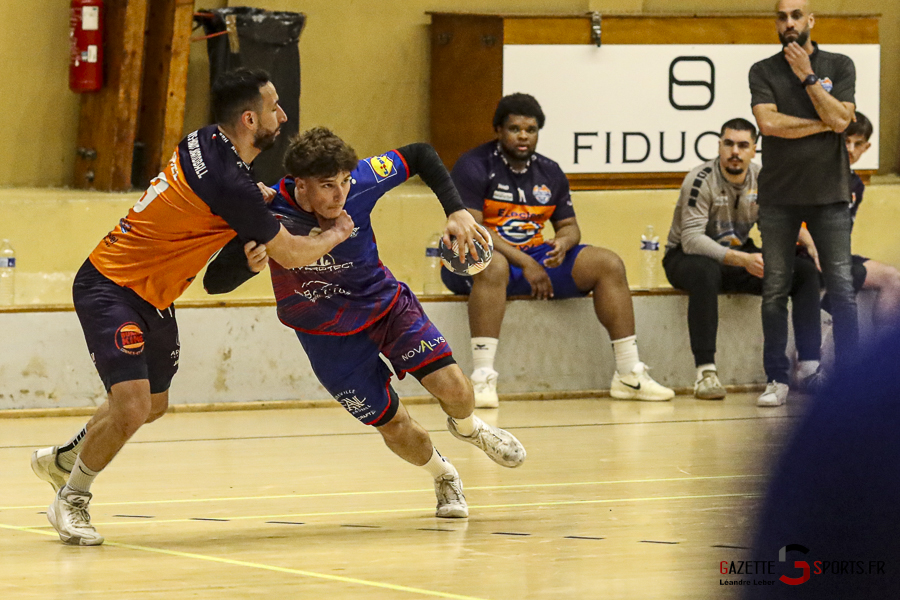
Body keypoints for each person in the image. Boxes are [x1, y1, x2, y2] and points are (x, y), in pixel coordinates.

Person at [29, 69, 355, 546]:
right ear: (249, 120)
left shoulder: (203, 142)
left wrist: (252, 203)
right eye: (273, 107)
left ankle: (64, 459)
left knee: (153, 405)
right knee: (133, 405)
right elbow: (289, 253)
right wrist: (336, 233)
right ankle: (72, 498)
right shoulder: (232, 185)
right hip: (111, 285)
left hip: (155, 295)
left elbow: (218, 215)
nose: (282, 116)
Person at [204, 127, 527, 519]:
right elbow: (214, 282)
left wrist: (455, 210)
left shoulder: (362, 180)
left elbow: (420, 153)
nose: (340, 194)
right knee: (394, 425)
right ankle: (443, 474)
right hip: (325, 336)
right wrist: (247, 264)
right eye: (328, 186)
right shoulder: (267, 210)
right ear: (300, 184)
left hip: (384, 307)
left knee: (456, 389)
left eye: (343, 181)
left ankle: (468, 427)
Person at [442, 93, 674, 408]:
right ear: (498, 130)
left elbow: (569, 227)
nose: (523, 136)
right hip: (471, 256)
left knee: (608, 263)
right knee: (493, 265)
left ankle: (629, 374)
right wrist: (527, 263)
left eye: (531, 130)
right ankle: (482, 379)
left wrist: (563, 243)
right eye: (514, 129)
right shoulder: (473, 165)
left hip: (532, 258)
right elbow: (475, 229)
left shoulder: (550, 172)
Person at [664, 119, 822, 402]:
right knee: (705, 272)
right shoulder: (700, 179)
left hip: (739, 255)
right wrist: (742, 260)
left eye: (742, 145)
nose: (734, 152)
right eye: (728, 144)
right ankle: (705, 373)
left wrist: (811, 243)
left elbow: (784, 220)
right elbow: (691, 240)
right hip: (686, 258)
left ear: (754, 150)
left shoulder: (764, 179)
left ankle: (809, 367)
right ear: (719, 146)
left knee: (804, 273)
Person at [749, 0, 858, 407]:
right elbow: (768, 123)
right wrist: (823, 122)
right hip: (779, 198)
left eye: (797, 15)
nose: (789, 23)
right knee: (775, 289)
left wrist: (808, 76)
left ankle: (848, 383)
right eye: (782, 17)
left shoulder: (839, 65)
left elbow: (843, 121)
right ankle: (776, 378)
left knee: (842, 290)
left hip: (829, 196)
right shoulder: (762, 70)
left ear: (811, 20)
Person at [802, 112, 900, 326]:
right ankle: (817, 337)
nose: (850, 149)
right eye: (845, 141)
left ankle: (882, 346)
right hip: (804, 255)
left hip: (836, 257)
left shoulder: (856, 185)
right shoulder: (808, 175)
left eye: (858, 144)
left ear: (866, 148)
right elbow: (790, 223)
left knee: (893, 278)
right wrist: (814, 248)